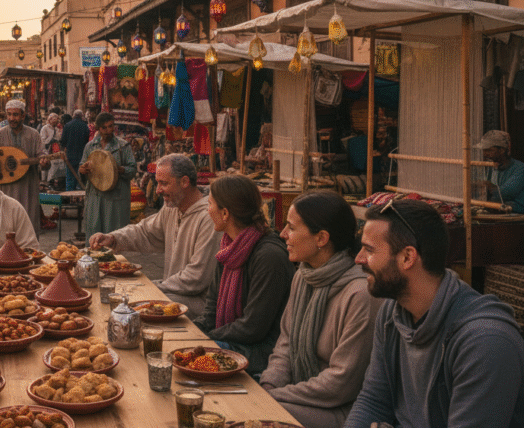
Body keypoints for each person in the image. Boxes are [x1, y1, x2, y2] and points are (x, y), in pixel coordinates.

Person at [344, 198, 524, 428]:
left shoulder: (485, 343)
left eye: (369, 249)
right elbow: (373, 400)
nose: (358, 259)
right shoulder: (392, 313)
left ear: (407, 257)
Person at [259, 191, 380, 428]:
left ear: (321, 238)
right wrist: (268, 387)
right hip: (295, 395)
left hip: (341, 411)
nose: (283, 234)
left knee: (255, 415)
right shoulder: (303, 276)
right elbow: (285, 345)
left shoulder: (360, 294)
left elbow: (341, 384)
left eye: (292, 228)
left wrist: (272, 398)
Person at [90, 154, 219, 317]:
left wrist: (151, 286)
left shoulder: (208, 218)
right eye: (158, 183)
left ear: (185, 182)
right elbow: (145, 232)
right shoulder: (172, 208)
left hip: (198, 305)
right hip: (172, 293)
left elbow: (196, 278)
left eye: (163, 183)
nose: (157, 190)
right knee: (125, 301)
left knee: (135, 306)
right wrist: (113, 238)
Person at [197, 174, 294, 376]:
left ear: (225, 213)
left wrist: (204, 339)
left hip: (262, 352)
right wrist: (193, 333)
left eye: (210, 204)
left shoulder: (269, 256)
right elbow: (211, 310)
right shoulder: (228, 248)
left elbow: (252, 328)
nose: (208, 211)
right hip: (233, 340)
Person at [0, 99, 51, 239]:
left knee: (28, 228)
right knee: (5, 228)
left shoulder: (33, 135)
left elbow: (43, 156)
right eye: (9, 114)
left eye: (16, 115)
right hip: (6, 190)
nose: (12, 118)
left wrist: (44, 162)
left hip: (28, 191)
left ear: (23, 116)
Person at [79, 112, 136, 237]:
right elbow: (82, 165)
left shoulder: (123, 146)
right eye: (104, 128)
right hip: (95, 196)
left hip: (115, 198)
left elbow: (132, 169)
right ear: (98, 129)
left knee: (114, 235)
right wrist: (83, 169)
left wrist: (117, 170)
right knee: (94, 232)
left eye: (111, 126)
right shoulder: (90, 146)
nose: (108, 130)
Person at [474, 129, 524, 213]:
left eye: (488, 150)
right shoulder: (492, 167)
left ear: (502, 150)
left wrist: (488, 185)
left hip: (516, 214)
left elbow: (506, 194)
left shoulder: (520, 168)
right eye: (483, 150)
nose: (484, 154)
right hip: (499, 209)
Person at [60, 110, 90, 191]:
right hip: (81, 155)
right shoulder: (85, 126)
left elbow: (63, 141)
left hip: (70, 155)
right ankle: (78, 197)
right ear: (81, 116)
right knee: (79, 178)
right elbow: (87, 141)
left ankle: (69, 196)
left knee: (70, 177)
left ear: (73, 115)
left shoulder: (67, 125)